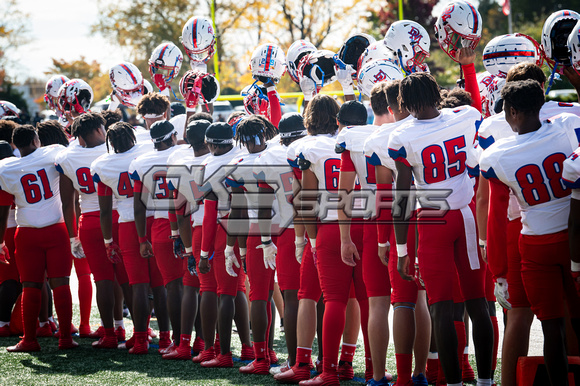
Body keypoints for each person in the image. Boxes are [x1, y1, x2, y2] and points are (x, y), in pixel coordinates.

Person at [388, 73, 493, 386]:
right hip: (467, 216)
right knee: (477, 302)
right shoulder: (467, 116)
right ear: (438, 93)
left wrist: (403, 250)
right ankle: (486, 381)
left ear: (403, 103)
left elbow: (402, 199)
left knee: (441, 308)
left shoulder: (402, 135)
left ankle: (453, 383)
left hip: (433, 221)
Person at [480, 79, 580, 386]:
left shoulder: (498, 154)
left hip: (535, 245)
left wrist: (497, 267)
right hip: (573, 238)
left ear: (510, 111)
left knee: (551, 327)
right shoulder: (566, 126)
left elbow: (494, 209)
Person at [363, 81, 430, 386]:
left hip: (404, 222)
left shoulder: (379, 140)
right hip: (439, 214)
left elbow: (385, 196)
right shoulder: (437, 122)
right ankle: (426, 373)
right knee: (426, 300)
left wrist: (382, 240)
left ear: (389, 108)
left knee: (403, 299)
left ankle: (404, 378)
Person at [56, 113, 131, 348]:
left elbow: (68, 202)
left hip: (88, 221)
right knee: (127, 278)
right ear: (100, 129)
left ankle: (110, 332)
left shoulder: (66, 157)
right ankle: (138, 331)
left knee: (103, 280)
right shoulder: (112, 150)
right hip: (118, 217)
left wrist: (72, 237)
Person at [0, 125, 76, 351]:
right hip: (56, 229)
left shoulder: (6, 168)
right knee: (61, 283)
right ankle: (65, 338)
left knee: (30, 285)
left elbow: (3, 211)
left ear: (15, 145)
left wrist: (0, 241)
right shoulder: (52, 152)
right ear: (36, 140)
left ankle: (30, 340)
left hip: (26, 232)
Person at [90, 121, 155, 353]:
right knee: (162, 286)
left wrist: (108, 241)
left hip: (127, 223)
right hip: (156, 219)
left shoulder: (102, 164)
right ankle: (170, 339)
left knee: (138, 286)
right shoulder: (147, 150)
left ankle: (139, 340)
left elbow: (105, 210)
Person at [195, 122, 251, 368]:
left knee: (219, 292)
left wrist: (204, 253)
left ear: (209, 144)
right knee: (244, 290)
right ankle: (252, 348)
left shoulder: (209, 167)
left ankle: (219, 351)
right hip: (251, 228)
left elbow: (209, 215)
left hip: (224, 230)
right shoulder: (244, 156)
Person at [255, 112, 306, 375]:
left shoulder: (270, 157)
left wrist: (265, 241)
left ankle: (298, 362)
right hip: (325, 225)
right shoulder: (320, 146)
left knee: (293, 298)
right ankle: (334, 361)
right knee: (321, 298)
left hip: (288, 231)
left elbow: (263, 206)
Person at [130, 120, 183, 354]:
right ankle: (203, 342)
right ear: (173, 136)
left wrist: (142, 239)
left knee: (172, 287)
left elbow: (139, 207)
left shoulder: (140, 162)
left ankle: (179, 341)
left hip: (161, 225)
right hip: (189, 221)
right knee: (197, 286)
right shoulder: (183, 153)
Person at [0, 141, 20, 337]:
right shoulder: (17, 170)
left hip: (6, 230)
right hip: (19, 227)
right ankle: (45, 320)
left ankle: (4, 321)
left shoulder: (3, 174)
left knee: (8, 279)